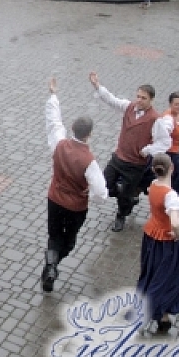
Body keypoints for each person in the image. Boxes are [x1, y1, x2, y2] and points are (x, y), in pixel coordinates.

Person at [41, 77, 108, 293]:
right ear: (90, 134)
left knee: (54, 235)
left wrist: (53, 95)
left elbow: (54, 122)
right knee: (68, 242)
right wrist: (93, 196)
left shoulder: (59, 143)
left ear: (72, 129)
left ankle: (50, 266)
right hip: (75, 207)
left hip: (54, 199)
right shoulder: (90, 161)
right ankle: (52, 266)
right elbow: (100, 192)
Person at [88, 72, 172, 232]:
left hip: (135, 164)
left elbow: (165, 142)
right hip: (118, 157)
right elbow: (111, 100)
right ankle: (127, 196)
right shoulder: (129, 107)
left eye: (143, 98)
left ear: (151, 100)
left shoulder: (156, 119)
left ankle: (121, 214)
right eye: (138, 96)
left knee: (125, 195)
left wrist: (148, 150)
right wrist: (97, 86)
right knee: (105, 185)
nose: (139, 100)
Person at [136, 153, 179, 333]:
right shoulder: (171, 196)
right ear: (172, 168)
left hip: (151, 238)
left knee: (152, 274)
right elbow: (174, 221)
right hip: (166, 244)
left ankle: (163, 317)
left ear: (153, 170)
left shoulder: (152, 186)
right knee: (166, 279)